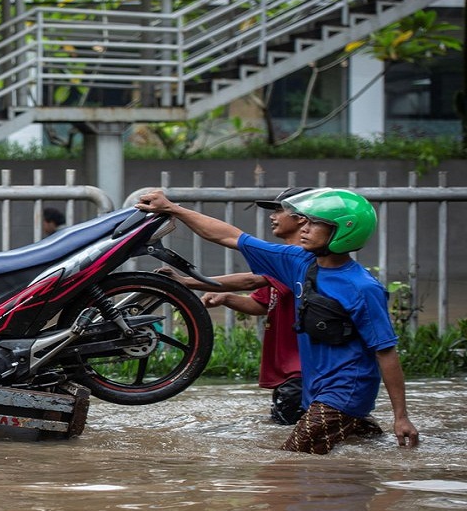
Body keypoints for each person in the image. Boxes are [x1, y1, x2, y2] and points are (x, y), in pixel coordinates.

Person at [136, 187, 418, 454]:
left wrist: (401, 417)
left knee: (288, 465)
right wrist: (174, 210)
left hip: (342, 395)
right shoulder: (298, 261)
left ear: (343, 231)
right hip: (318, 394)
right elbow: (229, 237)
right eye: (304, 222)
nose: (304, 229)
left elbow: (385, 351)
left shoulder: (362, 288)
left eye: (314, 224)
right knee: (357, 456)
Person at [157, 188, 310, 425]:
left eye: (279, 210)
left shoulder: (301, 257)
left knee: (294, 453)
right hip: (293, 375)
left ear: (303, 217)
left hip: (301, 374)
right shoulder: (287, 264)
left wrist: (187, 281)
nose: (272, 216)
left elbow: (249, 277)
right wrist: (227, 298)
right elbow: (260, 304)